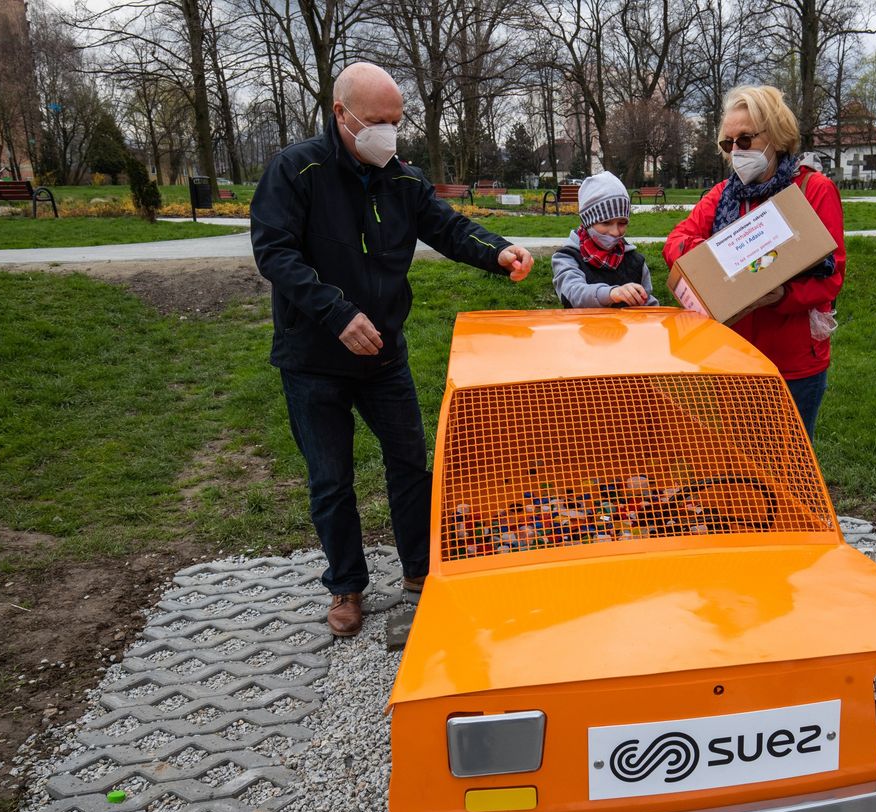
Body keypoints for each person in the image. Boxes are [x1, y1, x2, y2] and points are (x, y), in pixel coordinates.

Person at [250, 62, 534, 638]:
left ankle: (419, 573)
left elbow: (449, 228)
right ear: (340, 114)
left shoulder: (401, 178)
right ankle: (346, 586)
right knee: (330, 479)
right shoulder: (294, 170)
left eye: (396, 122)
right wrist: (335, 312)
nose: (388, 132)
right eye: (376, 121)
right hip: (313, 360)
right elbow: (275, 252)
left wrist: (499, 251)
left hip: (384, 359)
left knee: (409, 464)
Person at [664, 85, 845, 438]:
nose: (735, 152)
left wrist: (781, 296)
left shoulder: (813, 191)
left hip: (792, 362)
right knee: (745, 468)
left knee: (790, 464)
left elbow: (831, 277)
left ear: (775, 136)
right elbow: (675, 243)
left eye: (745, 140)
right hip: (735, 360)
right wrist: (721, 253)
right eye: (727, 144)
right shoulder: (722, 195)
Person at [552, 172, 658, 308]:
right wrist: (612, 293)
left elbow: (648, 304)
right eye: (606, 223)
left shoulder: (635, 261)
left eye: (622, 222)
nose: (615, 232)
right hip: (583, 328)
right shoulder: (567, 257)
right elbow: (573, 293)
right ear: (587, 222)